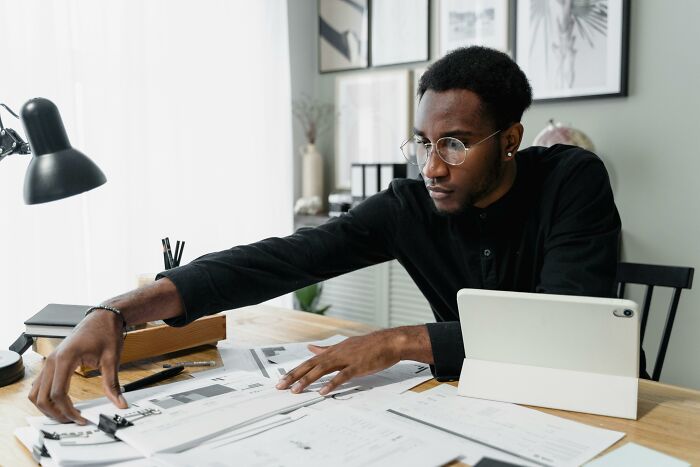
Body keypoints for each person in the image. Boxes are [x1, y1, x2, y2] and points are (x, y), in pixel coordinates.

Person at [29, 46, 623, 425]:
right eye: (422, 142)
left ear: (511, 139)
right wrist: (117, 310)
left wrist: (396, 342)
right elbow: (285, 260)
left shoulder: (573, 178)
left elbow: (560, 322)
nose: (432, 166)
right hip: (483, 403)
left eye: (455, 144)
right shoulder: (410, 205)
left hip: (593, 400)